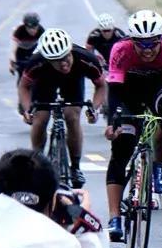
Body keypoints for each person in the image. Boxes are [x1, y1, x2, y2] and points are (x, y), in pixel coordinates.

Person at [105, 10, 162, 241]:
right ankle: (114, 218)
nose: (147, 49)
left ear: (161, 38)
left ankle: (158, 164)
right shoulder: (120, 50)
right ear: (132, 41)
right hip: (128, 93)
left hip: (158, 89)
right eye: (141, 44)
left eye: (152, 43)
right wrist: (114, 121)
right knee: (121, 151)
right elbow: (114, 91)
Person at [19, 29, 106, 189]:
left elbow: (101, 86)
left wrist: (94, 108)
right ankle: (37, 161)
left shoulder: (85, 58)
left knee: (72, 116)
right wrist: (27, 110)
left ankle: (75, 167)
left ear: (70, 51)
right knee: (41, 119)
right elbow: (24, 87)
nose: (63, 63)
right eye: (56, 60)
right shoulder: (37, 62)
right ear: (47, 59)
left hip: (73, 83)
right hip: (45, 83)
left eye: (65, 57)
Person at [9, 12, 45, 83]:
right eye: (29, 28)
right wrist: (12, 64)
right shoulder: (19, 30)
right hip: (20, 51)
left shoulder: (41, 30)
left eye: (34, 28)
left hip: (33, 49)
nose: (32, 30)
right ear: (25, 26)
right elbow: (13, 51)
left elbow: (45, 47)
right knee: (21, 73)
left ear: (38, 25)